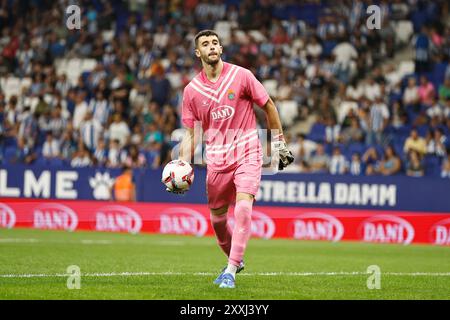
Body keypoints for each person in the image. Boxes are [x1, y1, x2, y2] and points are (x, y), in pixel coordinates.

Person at [172, 30, 293, 289]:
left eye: (215, 42)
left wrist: (279, 143)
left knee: (243, 207)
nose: (211, 47)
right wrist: (182, 162)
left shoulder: (242, 76)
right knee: (217, 222)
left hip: (247, 149)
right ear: (198, 53)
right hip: (216, 159)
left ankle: (229, 271)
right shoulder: (192, 91)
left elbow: (269, 105)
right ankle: (235, 259)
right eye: (205, 44)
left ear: (221, 48)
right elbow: (193, 133)